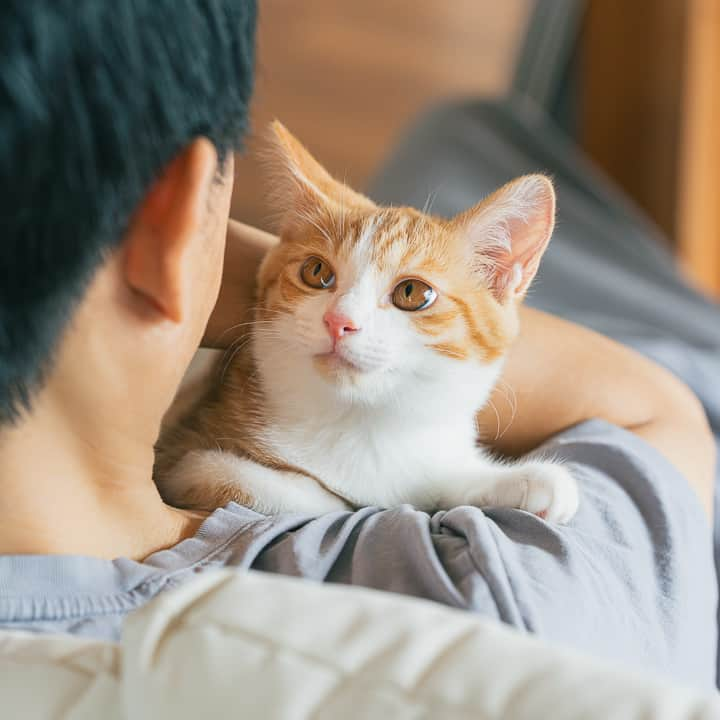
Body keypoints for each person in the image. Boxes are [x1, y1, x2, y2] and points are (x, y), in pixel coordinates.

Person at [0, 0, 716, 689]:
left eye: (406, 294)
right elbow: (661, 408)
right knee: (465, 126)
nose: (344, 316)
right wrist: (200, 256)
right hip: (669, 391)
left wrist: (299, 264)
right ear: (181, 222)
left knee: (463, 130)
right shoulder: (491, 598)